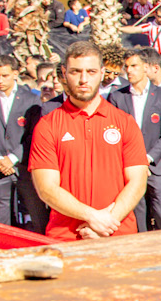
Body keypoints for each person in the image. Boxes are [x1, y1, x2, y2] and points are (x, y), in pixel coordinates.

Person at [28, 42, 150, 240]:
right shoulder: (48, 126)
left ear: (102, 73)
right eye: (76, 72)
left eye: (91, 71)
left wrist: (105, 224)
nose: (83, 79)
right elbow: (46, 188)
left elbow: (137, 181)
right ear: (64, 73)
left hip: (118, 235)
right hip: (67, 238)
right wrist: (93, 216)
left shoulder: (124, 122)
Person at [107, 49, 161, 230]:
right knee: (137, 214)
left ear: (146, 67)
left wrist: (147, 159)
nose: (130, 71)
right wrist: (134, 162)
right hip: (129, 168)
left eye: (134, 66)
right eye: (127, 67)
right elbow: (113, 135)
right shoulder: (117, 96)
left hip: (157, 166)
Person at [0, 56, 41, 228]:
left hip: (23, 167)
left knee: (36, 213)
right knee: (1, 221)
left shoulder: (30, 99)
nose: (0, 80)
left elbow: (33, 134)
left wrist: (12, 158)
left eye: (4, 75)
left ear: (15, 73)